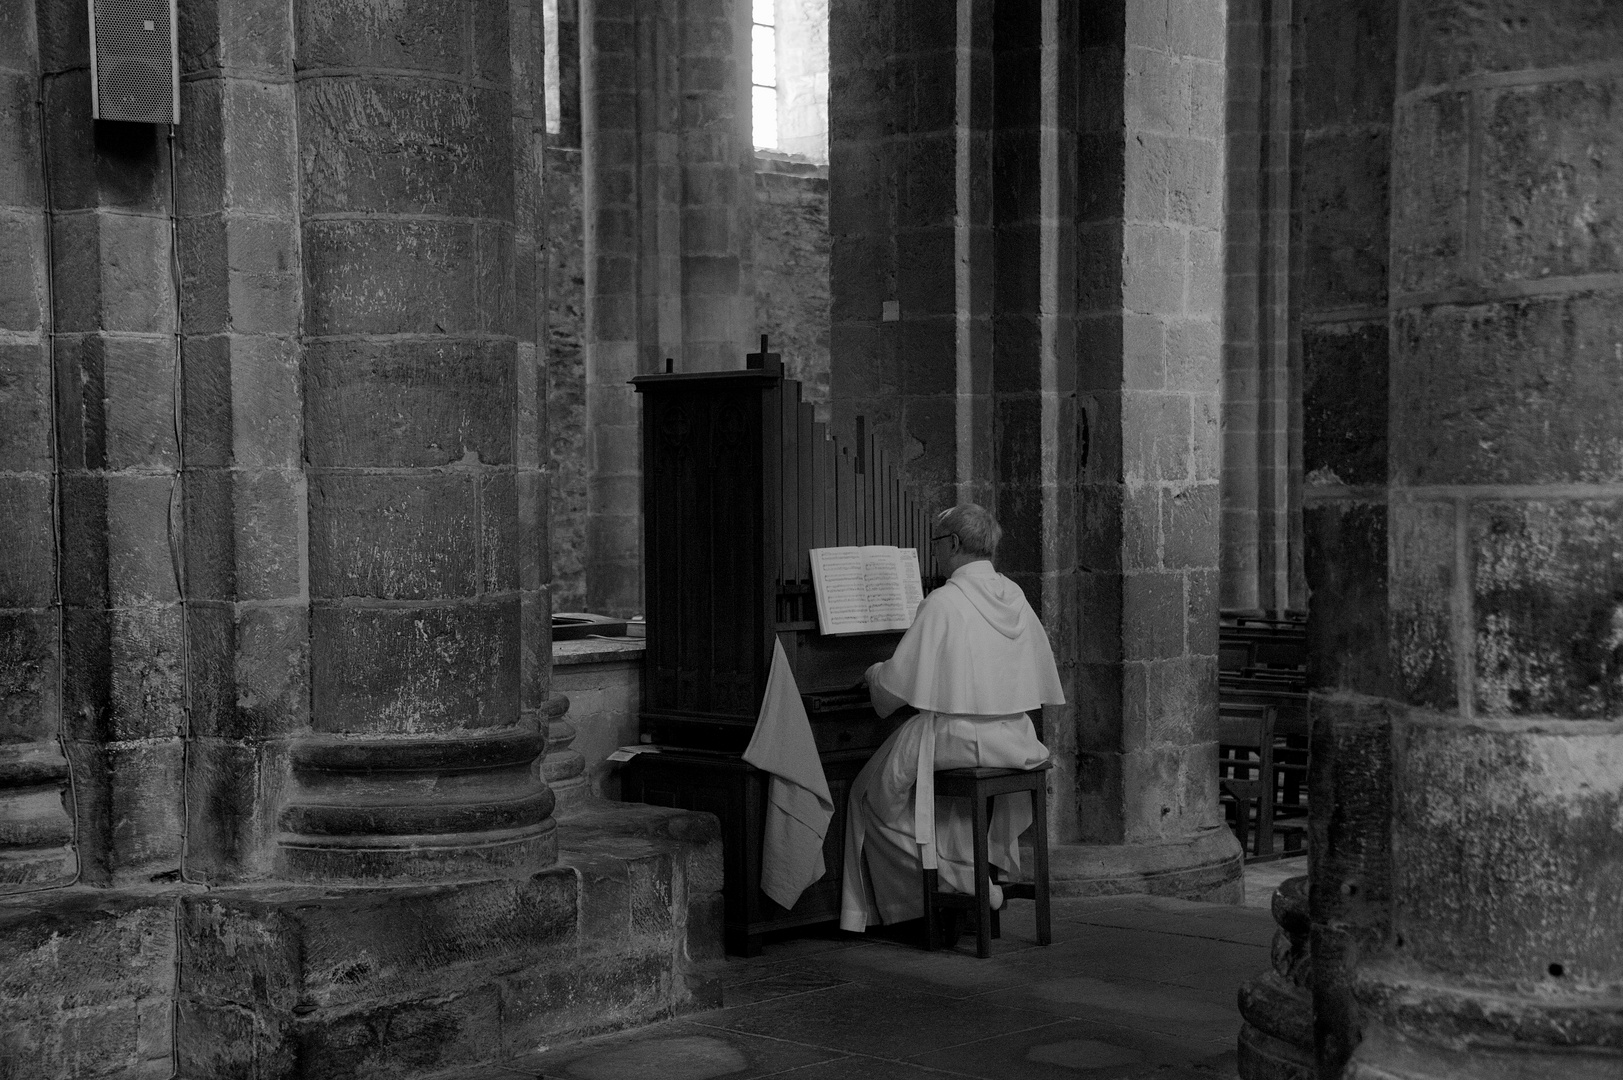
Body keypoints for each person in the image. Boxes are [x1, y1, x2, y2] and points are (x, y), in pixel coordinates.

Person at [839, 503, 1064, 933]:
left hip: (958, 734)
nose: (934, 554)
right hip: (1016, 736)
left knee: (870, 797)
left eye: (937, 544)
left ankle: (958, 885)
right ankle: (957, 893)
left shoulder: (944, 601)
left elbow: (894, 686)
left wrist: (871, 674)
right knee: (945, 811)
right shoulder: (1014, 595)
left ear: (955, 544)